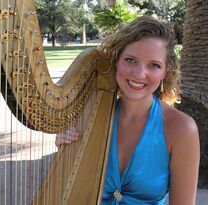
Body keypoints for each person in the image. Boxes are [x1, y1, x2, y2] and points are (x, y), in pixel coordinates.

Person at [55, 15, 200, 205]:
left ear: (166, 71)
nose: (139, 74)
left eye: (154, 65)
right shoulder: (91, 118)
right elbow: (74, 187)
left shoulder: (181, 129)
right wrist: (65, 146)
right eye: (130, 60)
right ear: (117, 61)